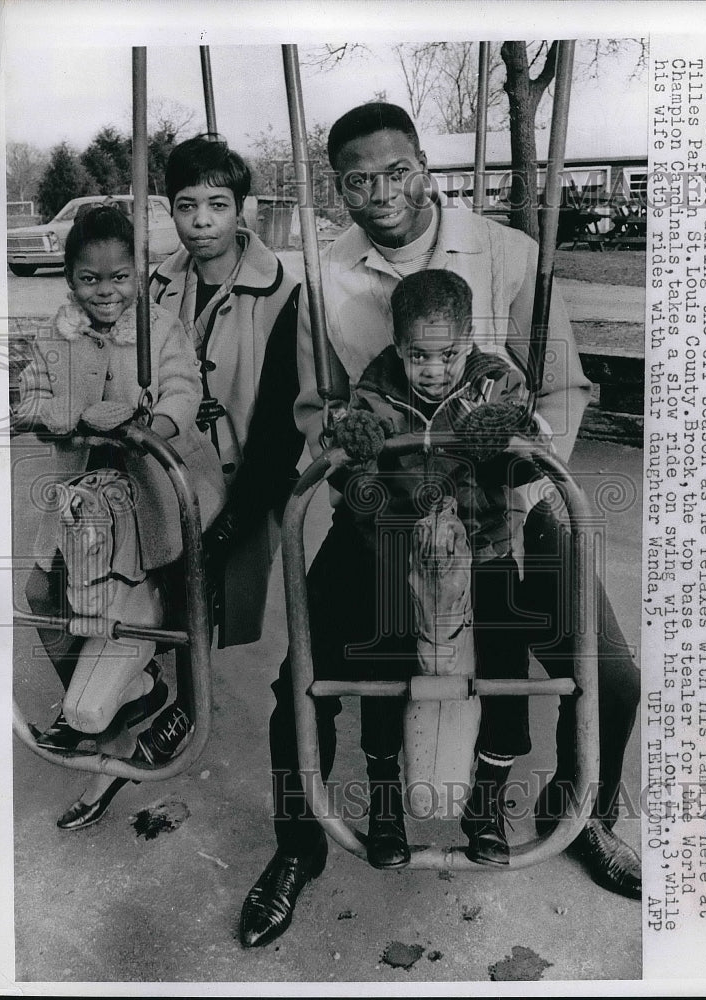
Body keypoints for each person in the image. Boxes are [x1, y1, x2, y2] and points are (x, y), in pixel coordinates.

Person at [239, 102, 640, 950]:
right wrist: (358, 468)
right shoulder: (324, 271)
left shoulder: (509, 254)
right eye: (355, 178)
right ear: (336, 184)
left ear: (424, 166)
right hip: (383, 510)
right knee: (297, 687)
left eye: (395, 171)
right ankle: (297, 844)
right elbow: (319, 410)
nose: (378, 192)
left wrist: (523, 484)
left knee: (608, 673)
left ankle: (583, 811)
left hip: (506, 501)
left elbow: (561, 390)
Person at [332, 268, 554, 869]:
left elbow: (533, 460)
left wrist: (514, 438)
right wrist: (353, 454)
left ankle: (487, 798)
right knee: (380, 657)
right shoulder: (376, 391)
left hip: (483, 548)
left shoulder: (496, 384)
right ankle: (384, 802)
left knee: (508, 653)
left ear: (470, 340)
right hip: (401, 553)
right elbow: (351, 482)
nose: (433, 370)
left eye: (448, 354)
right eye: (418, 355)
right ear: (397, 345)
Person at [20, 205, 226, 829]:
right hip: (82, 493)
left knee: (127, 606)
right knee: (42, 593)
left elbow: (182, 390)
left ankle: (121, 704)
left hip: (153, 489)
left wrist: (148, 429)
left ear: (137, 275)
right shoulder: (61, 331)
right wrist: (54, 413)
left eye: (118, 279)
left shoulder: (160, 327)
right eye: (89, 279)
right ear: (70, 279)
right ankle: (133, 696)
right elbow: (33, 393)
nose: (105, 292)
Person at [131, 134, 304, 764]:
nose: (201, 222)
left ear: (243, 209)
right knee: (164, 579)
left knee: (216, 582)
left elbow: (284, 414)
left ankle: (187, 703)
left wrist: (246, 505)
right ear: (168, 209)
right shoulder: (154, 284)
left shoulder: (284, 291)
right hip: (171, 464)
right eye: (184, 205)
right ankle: (167, 695)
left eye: (217, 204)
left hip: (246, 470)